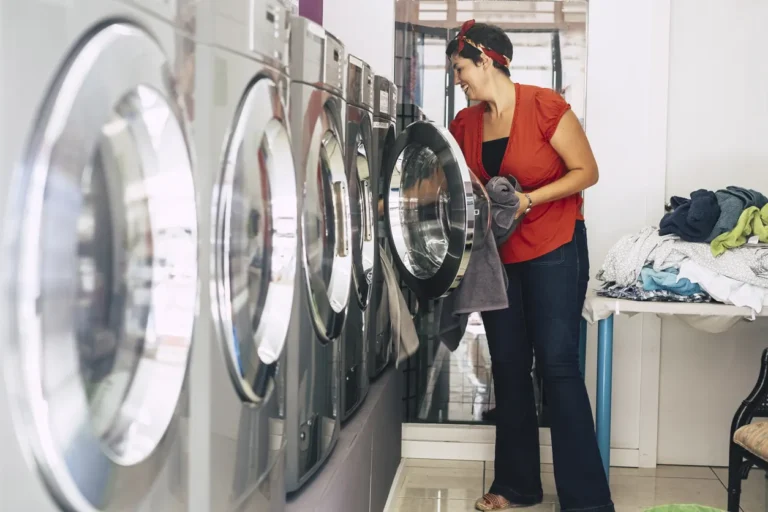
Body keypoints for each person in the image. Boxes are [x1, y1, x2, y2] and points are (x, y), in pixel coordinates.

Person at [445, 20, 614, 512]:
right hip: (497, 259)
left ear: (487, 60)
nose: (458, 79)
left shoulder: (545, 106)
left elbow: (588, 172)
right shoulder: (465, 123)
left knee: (559, 366)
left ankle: (585, 500)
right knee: (510, 366)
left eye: (460, 68)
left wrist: (529, 199)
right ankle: (517, 485)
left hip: (555, 247)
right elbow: (459, 185)